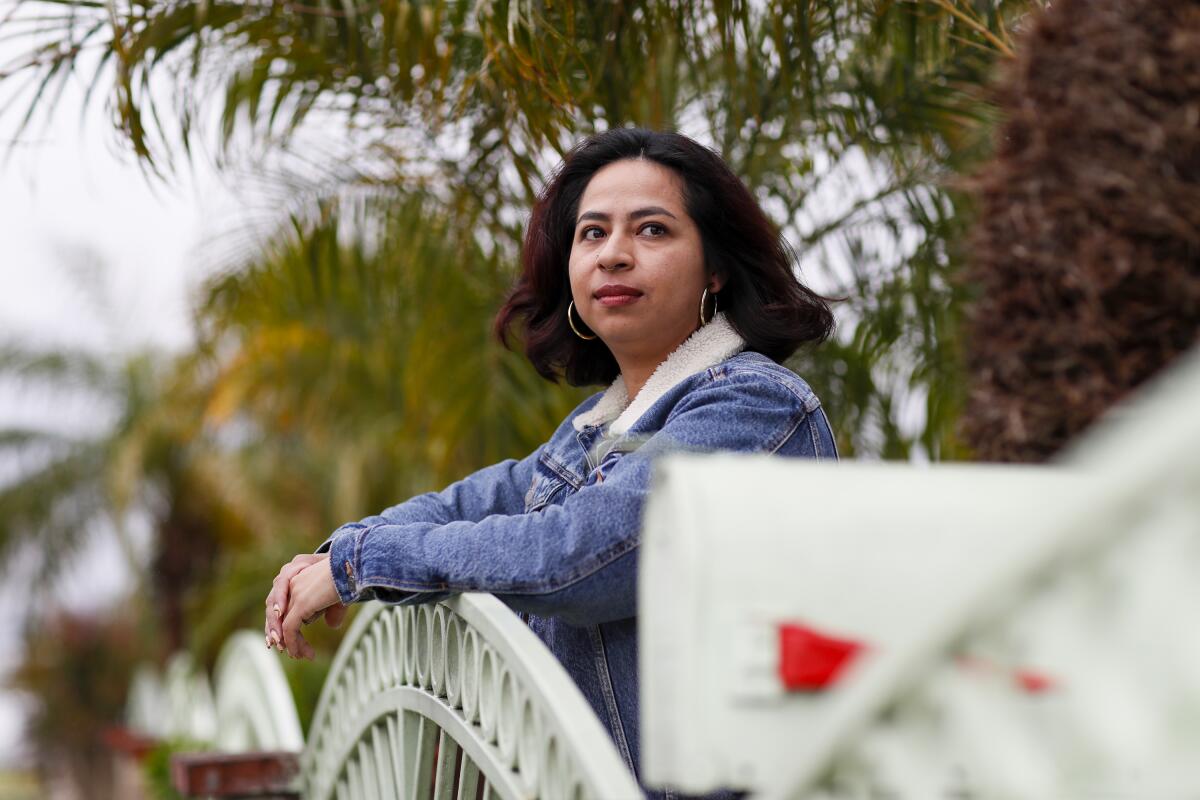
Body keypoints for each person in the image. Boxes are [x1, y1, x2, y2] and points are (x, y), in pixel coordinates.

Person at [263, 127, 838, 795]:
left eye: (651, 231)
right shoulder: (594, 431)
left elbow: (573, 558)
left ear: (715, 268)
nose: (614, 255)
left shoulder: (755, 408)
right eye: (591, 234)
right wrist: (336, 555)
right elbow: (470, 505)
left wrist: (362, 564)